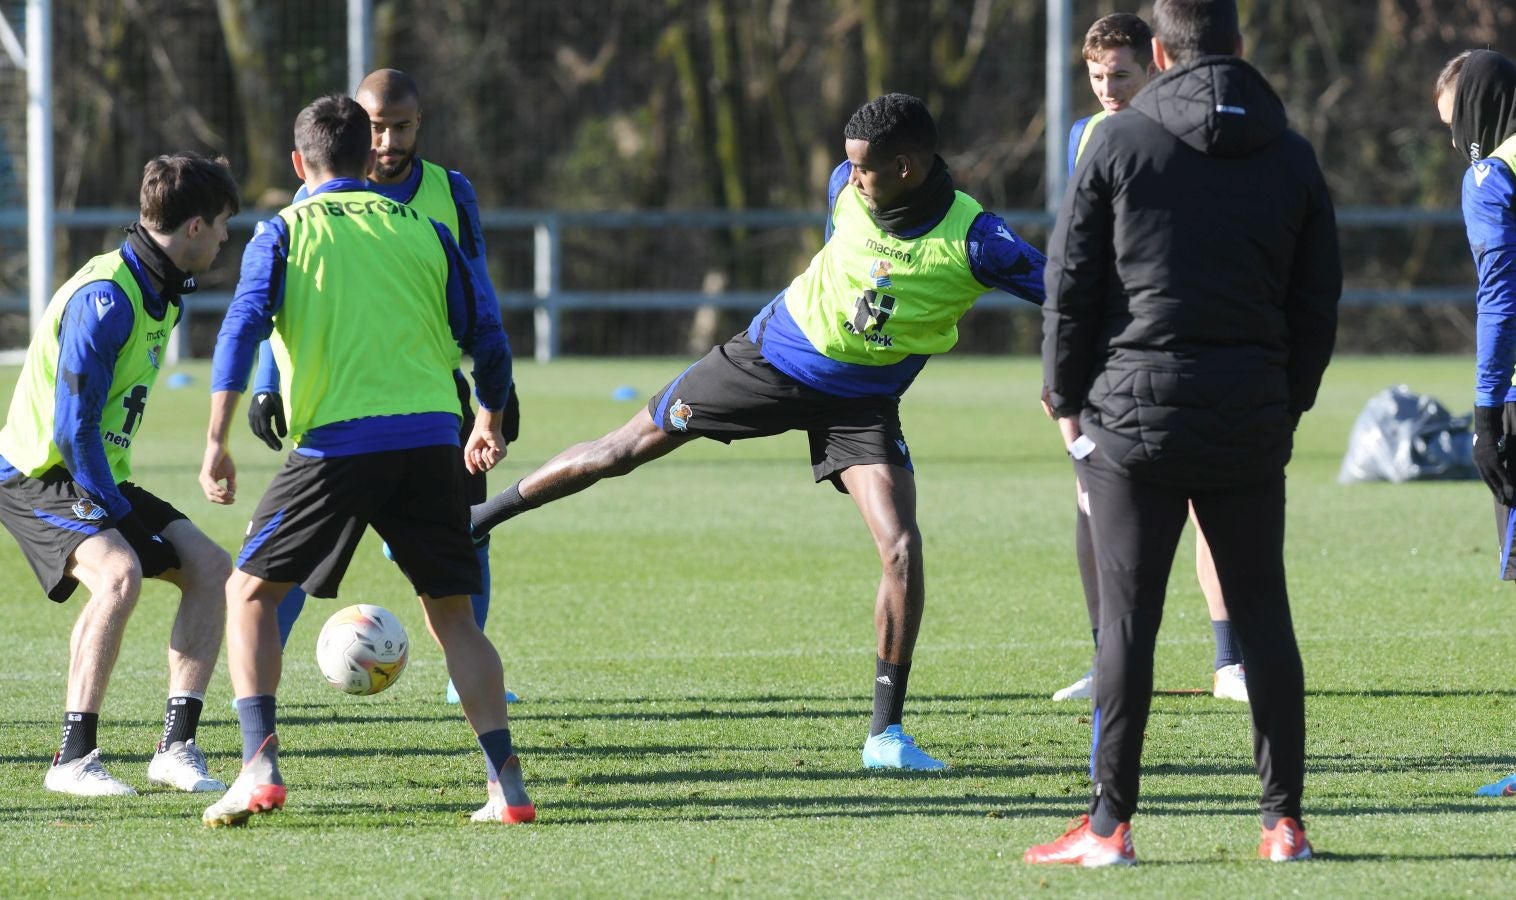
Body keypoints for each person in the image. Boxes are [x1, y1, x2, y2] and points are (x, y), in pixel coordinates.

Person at [468, 92, 1046, 771]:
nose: (852, 176)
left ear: (909, 166)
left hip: (859, 404)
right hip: (766, 360)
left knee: (901, 549)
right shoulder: (844, 188)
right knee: (619, 451)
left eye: (866, 167)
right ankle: (478, 520)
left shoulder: (977, 242)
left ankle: (884, 737)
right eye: (851, 165)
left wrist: (1062, 369)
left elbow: (1065, 289)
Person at [1026, 0, 1339, 866]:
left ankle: (1107, 829)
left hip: (1131, 419)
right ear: (1240, 49)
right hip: (1248, 417)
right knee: (1264, 617)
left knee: (1129, 626)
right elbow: (1318, 300)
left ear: (1159, 52)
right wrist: (1287, 403)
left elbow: (1072, 282)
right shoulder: (1291, 154)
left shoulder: (1120, 144)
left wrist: (1063, 396)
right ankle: (1284, 825)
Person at [198, 94, 532, 827]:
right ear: (367, 157)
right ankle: (506, 787)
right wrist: (489, 415)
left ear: (299, 163)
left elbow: (241, 327)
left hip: (336, 448)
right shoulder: (424, 226)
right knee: (454, 618)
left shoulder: (283, 229)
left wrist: (217, 438)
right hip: (429, 442)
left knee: (247, 592)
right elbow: (490, 337)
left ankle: (258, 767)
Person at [246, 68, 520, 705]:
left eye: (400, 127)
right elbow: (278, 300)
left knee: (467, 533)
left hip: (431, 394)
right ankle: (261, 671)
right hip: (338, 399)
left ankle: (464, 681)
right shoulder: (313, 193)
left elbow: (478, 289)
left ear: (419, 123)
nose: (387, 141)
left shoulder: (452, 192)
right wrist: (267, 384)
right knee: (281, 561)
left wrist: (492, 393)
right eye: (375, 127)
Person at [0, 153, 239, 796]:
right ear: (192, 227)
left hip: (95, 471)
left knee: (213, 569)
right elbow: (73, 431)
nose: (224, 238)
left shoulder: (161, 292)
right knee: (119, 574)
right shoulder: (107, 299)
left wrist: (122, 507)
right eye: (220, 225)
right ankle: (73, 760)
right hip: (36, 471)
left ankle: (176, 748)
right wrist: (127, 523)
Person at [1052, 11, 1248, 706]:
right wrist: (1061, 362)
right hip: (1106, 351)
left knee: (1202, 502)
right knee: (1093, 502)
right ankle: (1109, 658)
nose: (1109, 88)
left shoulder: (1184, 127)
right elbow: (1076, 253)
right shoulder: (1085, 137)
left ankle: (1230, 661)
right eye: (1098, 76)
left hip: (1174, 341)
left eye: (1122, 75)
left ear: (1155, 64)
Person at [1433, 49, 1516, 799]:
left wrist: (1486, 412)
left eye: (1457, 123)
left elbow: (1499, 295)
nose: (1459, 142)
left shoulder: (1493, 177)